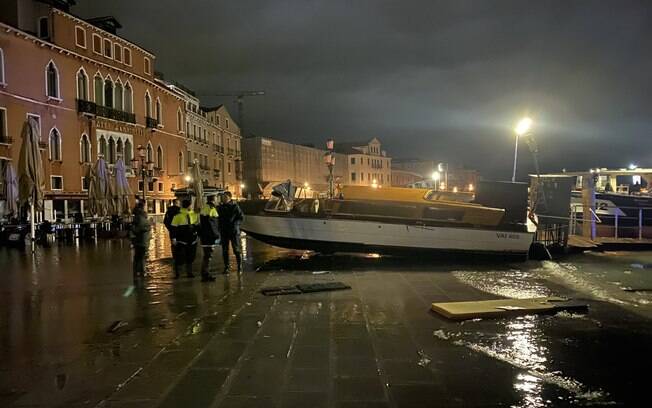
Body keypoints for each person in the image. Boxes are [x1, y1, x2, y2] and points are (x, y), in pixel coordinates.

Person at [170, 199, 199, 279]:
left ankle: (187, 273)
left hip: (191, 240)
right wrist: (174, 238)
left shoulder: (193, 214)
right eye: (191, 205)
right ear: (189, 205)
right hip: (182, 240)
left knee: (190, 257)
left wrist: (173, 238)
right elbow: (173, 229)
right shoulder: (179, 216)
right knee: (181, 257)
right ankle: (180, 273)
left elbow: (197, 227)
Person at [218, 191, 244, 273]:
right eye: (222, 197)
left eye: (225, 197)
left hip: (233, 231)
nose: (223, 198)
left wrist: (235, 224)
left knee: (236, 249)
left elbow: (241, 217)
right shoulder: (220, 207)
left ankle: (239, 266)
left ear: (229, 197)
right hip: (224, 231)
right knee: (225, 250)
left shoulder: (235, 206)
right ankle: (226, 267)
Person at [199, 195, 220, 282]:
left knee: (206, 255)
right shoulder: (211, 209)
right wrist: (216, 235)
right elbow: (212, 224)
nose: (217, 200)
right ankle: (205, 274)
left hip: (204, 236)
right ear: (214, 200)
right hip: (209, 236)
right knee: (208, 255)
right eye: (216, 199)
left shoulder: (205, 208)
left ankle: (205, 274)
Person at [130, 202, 151, 281]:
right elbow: (142, 228)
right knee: (141, 257)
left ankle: (137, 272)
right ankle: (142, 272)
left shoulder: (137, 218)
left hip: (139, 241)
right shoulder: (142, 218)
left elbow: (136, 229)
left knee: (138, 257)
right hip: (143, 241)